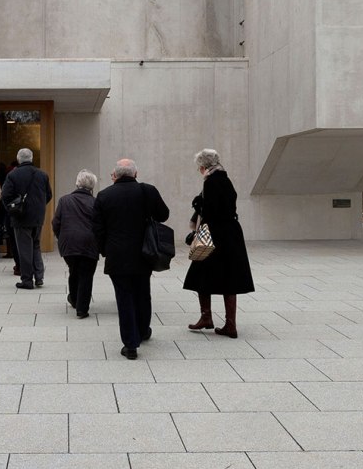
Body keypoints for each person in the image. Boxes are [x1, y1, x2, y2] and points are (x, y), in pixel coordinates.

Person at [93, 158, 169, 359]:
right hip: (144, 253)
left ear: (115, 175)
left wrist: (105, 250)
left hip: (117, 255)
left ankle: (130, 344)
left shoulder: (103, 196)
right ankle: (143, 330)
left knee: (124, 298)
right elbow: (164, 215)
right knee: (143, 293)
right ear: (135, 174)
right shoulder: (147, 190)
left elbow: (97, 229)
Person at [182, 148, 254, 338]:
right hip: (230, 235)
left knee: (200, 274)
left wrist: (198, 203)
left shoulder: (211, 182)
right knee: (229, 278)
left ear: (203, 166)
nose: (200, 170)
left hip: (214, 234)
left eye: (200, 167)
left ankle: (206, 317)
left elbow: (211, 211)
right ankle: (230, 324)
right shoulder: (225, 179)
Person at [1, 148, 52, 289]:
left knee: (24, 248)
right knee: (36, 246)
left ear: (18, 159)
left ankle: (27, 280)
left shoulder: (13, 175)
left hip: (20, 217)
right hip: (38, 217)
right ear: (31, 158)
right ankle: (39, 276)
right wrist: (38, 207)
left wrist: (12, 209)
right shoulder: (42, 174)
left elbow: (5, 195)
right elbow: (48, 195)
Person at [52, 169, 100, 318]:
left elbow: (56, 222)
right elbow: (101, 224)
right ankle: (82, 309)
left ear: (77, 183)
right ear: (92, 186)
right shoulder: (96, 202)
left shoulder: (64, 200)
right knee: (86, 274)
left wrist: (61, 237)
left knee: (74, 270)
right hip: (89, 243)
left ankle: (74, 299)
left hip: (69, 243)